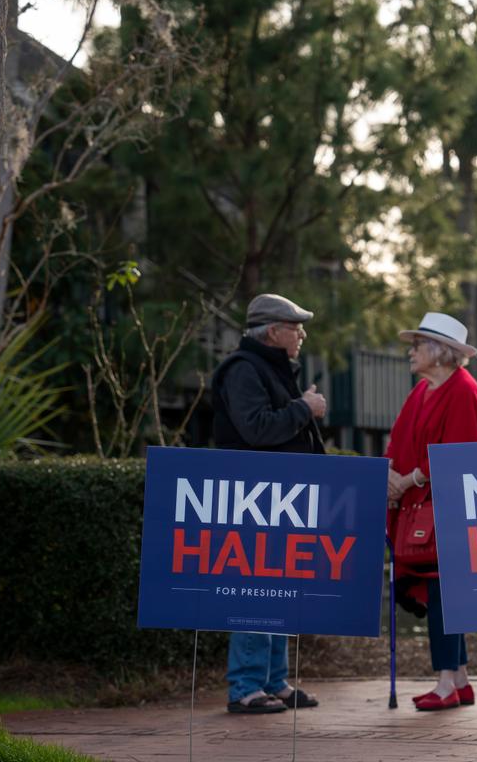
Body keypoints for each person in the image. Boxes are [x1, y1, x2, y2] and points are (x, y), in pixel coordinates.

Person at [211, 293, 327, 715]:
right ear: (273, 331)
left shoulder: (272, 368)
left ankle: (273, 681)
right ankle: (245, 686)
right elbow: (256, 429)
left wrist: (303, 410)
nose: (302, 335)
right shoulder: (243, 370)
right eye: (295, 328)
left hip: (280, 501)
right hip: (253, 501)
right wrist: (303, 407)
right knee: (254, 591)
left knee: (278, 591)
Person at [386, 312, 477, 711]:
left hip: (451, 513)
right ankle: (460, 680)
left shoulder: (463, 390)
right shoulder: (421, 391)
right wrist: (391, 478)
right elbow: (398, 439)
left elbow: (463, 457)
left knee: (444, 592)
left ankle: (446, 682)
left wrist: (410, 478)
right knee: (439, 593)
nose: (410, 351)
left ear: (439, 351)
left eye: (417, 344)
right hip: (420, 510)